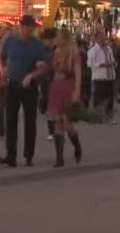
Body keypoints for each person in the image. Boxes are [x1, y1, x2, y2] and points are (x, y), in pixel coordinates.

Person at [0, 15, 49, 167]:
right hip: (13, 84)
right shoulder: (11, 41)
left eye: (32, 28)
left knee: (30, 121)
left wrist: (32, 75)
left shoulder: (37, 45)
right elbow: (1, 56)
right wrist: (3, 69)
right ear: (21, 27)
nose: (29, 31)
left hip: (29, 85)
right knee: (11, 119)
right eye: (27, 28)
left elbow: (45, 66)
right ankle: (11, 155)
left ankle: (29, 155)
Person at [47, 29, 83, 167]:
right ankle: (59, 158)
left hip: (69, 87)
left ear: (64, 39)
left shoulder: (74, 54)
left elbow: (78, 72)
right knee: (57, 121)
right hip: (56, 88)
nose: (56, 39)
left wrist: (77, 90)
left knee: (67, 122)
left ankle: (77, 145)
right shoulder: (55, 52)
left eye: (58, 37)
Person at [87, 31, 116, 124]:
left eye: (104, 36)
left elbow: (113, 60)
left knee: (110, 98)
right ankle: (97, 117)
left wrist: (114, 63)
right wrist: (102, 65)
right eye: (101, 37)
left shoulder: (109, 49)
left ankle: (109, 117)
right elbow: (89, 64)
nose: (103, 39)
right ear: (96, 39)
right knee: (98, 98)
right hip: (99, 77)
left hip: (110, 77)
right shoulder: (93, 50)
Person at [38, 28, 57, 140]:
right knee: (48, 106)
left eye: (52, 39)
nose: (50, 42)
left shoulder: (58, 49)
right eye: (48, 40)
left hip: (57, 80)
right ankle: (52, 131)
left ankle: (58, 129)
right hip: (45, 81)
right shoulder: (41, 51)